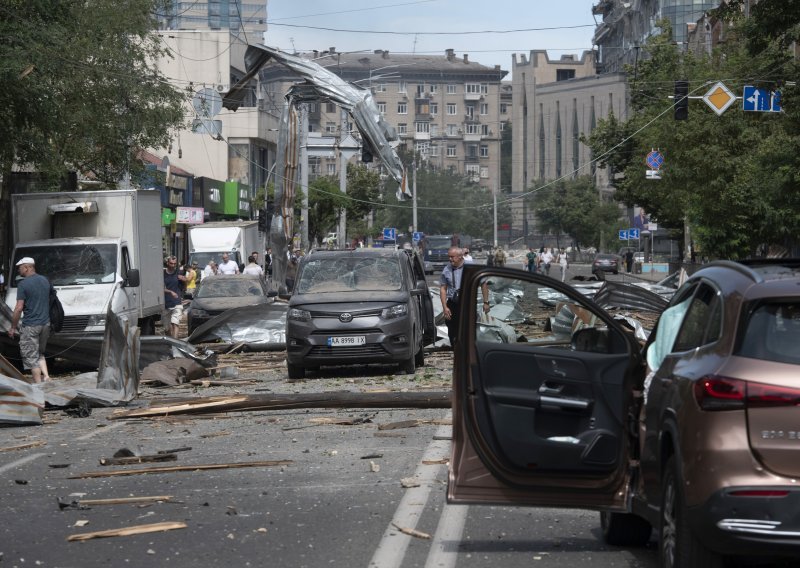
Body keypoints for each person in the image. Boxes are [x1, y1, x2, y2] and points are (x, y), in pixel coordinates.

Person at [8, 257, 51, 384]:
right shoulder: (45, 280)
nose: (18, 270)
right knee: (39, 353)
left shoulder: (23, 284)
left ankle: (38, 388)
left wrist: (12, 327)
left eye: (20, 268)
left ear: (27, 267)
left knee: (31, 358)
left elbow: (19, 308)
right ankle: (47, 377)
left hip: (31, 326)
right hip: (45, 324)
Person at [440, 247, 489, 348]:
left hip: (467, 303)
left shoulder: (471, 267)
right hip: (453, 303)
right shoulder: (447, 269)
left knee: (468, 327)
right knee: (452, 328)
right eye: (449, 257)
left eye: (452, 257)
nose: (450, 259)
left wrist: (486, 302)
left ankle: (468, 349)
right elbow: (443, 289)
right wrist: (445, 307)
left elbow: (483, 284)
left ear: (460, 257)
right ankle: (455, 349)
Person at [163, 256, 186, 339]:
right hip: (165, 303)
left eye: (175, 264)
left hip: (176, 302)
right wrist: (170, 292)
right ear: (167, 263)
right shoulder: (163, 274)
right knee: (166, 328)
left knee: (175, 323)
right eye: (171, 263)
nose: (173, 265)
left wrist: (184, 280)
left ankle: (174, 344)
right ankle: (169, 343)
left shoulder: (178, 272)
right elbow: (160, 288)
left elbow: (184, 285)